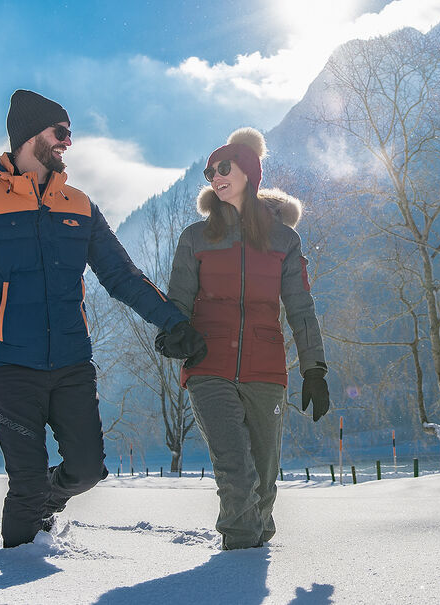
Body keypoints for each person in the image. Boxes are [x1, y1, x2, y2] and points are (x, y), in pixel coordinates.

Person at [0, 89, 203, 548]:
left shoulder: (79, 205)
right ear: (30, 134)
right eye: (61, 132)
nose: (68, 142)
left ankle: (45, 505)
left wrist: (173, 322)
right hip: (10, 365)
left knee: (87, 470)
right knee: (26, 484)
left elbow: (122, 275)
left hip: (72, 362)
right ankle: (17, 558)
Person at [157, 127, 330, 550]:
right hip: (208, 365)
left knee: (265, 479)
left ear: (249, 171)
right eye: (209, 172)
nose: (215, 177)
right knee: (235, 470)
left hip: (266, 369)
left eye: (223, 168)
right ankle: (237, 562)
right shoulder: (195, 238)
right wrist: (173, 332)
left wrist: (314, 369)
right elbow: (177, 301)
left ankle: (256, 548)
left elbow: (300, 308)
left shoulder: (284, 240)